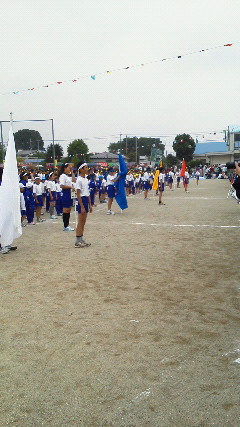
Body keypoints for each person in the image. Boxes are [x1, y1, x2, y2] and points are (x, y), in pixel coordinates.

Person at [75, 162, 92, 248]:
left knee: (84, 221)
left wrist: (90, 204)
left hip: (85, 199)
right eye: (85, 167)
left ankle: (81, 239)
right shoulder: (79, 180)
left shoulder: (86, 179)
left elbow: (87, 192)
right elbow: (78, 194)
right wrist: (81, 206)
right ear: (81, 169)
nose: (87, 168)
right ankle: (78, 240)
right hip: (81, 200)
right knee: (80, 221)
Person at [59, 163, 76, 231]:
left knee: (68, 209)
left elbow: (74, 180)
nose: (69, 169)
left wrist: (72, 172)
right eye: (68, 168)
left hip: (69, 193)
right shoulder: (62, 176)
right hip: (65, 192)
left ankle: (67, 225)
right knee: (66, 209)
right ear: (64, 168)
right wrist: (70, 187)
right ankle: (65, 225)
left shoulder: (66, 176)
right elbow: (61, 185)